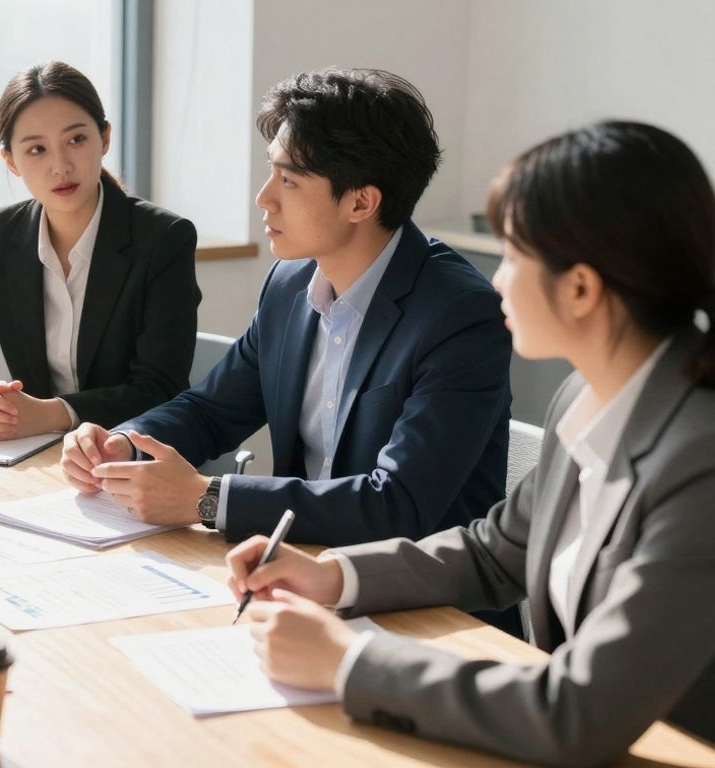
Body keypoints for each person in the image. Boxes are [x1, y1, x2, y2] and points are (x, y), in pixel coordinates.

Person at [228, 121, 715, 765]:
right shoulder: (587, 396)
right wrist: (331, 576)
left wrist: (349, 661)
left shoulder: (699, 460)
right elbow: (495, 553)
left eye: (512, 255)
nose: (495, 280)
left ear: (581, 288)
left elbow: (579, 712)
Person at [59, 68, 511, 547]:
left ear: (361, 202)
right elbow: (211, 410)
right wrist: (123, 442)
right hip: (299, 567)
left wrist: (208, 498)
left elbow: (397, 504)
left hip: (424, 603)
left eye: (288, 181)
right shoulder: (291, 283)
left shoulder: (460, 317)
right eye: (270, 172)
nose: (264, 198)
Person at [0, 61, 199, 440]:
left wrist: (51, 413)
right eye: (36, 149)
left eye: (76, 140)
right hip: (35, 455)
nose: (60, 166)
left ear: (104, 137)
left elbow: (160, 388)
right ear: (10, 161)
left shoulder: (164, 238)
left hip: (128, 455)